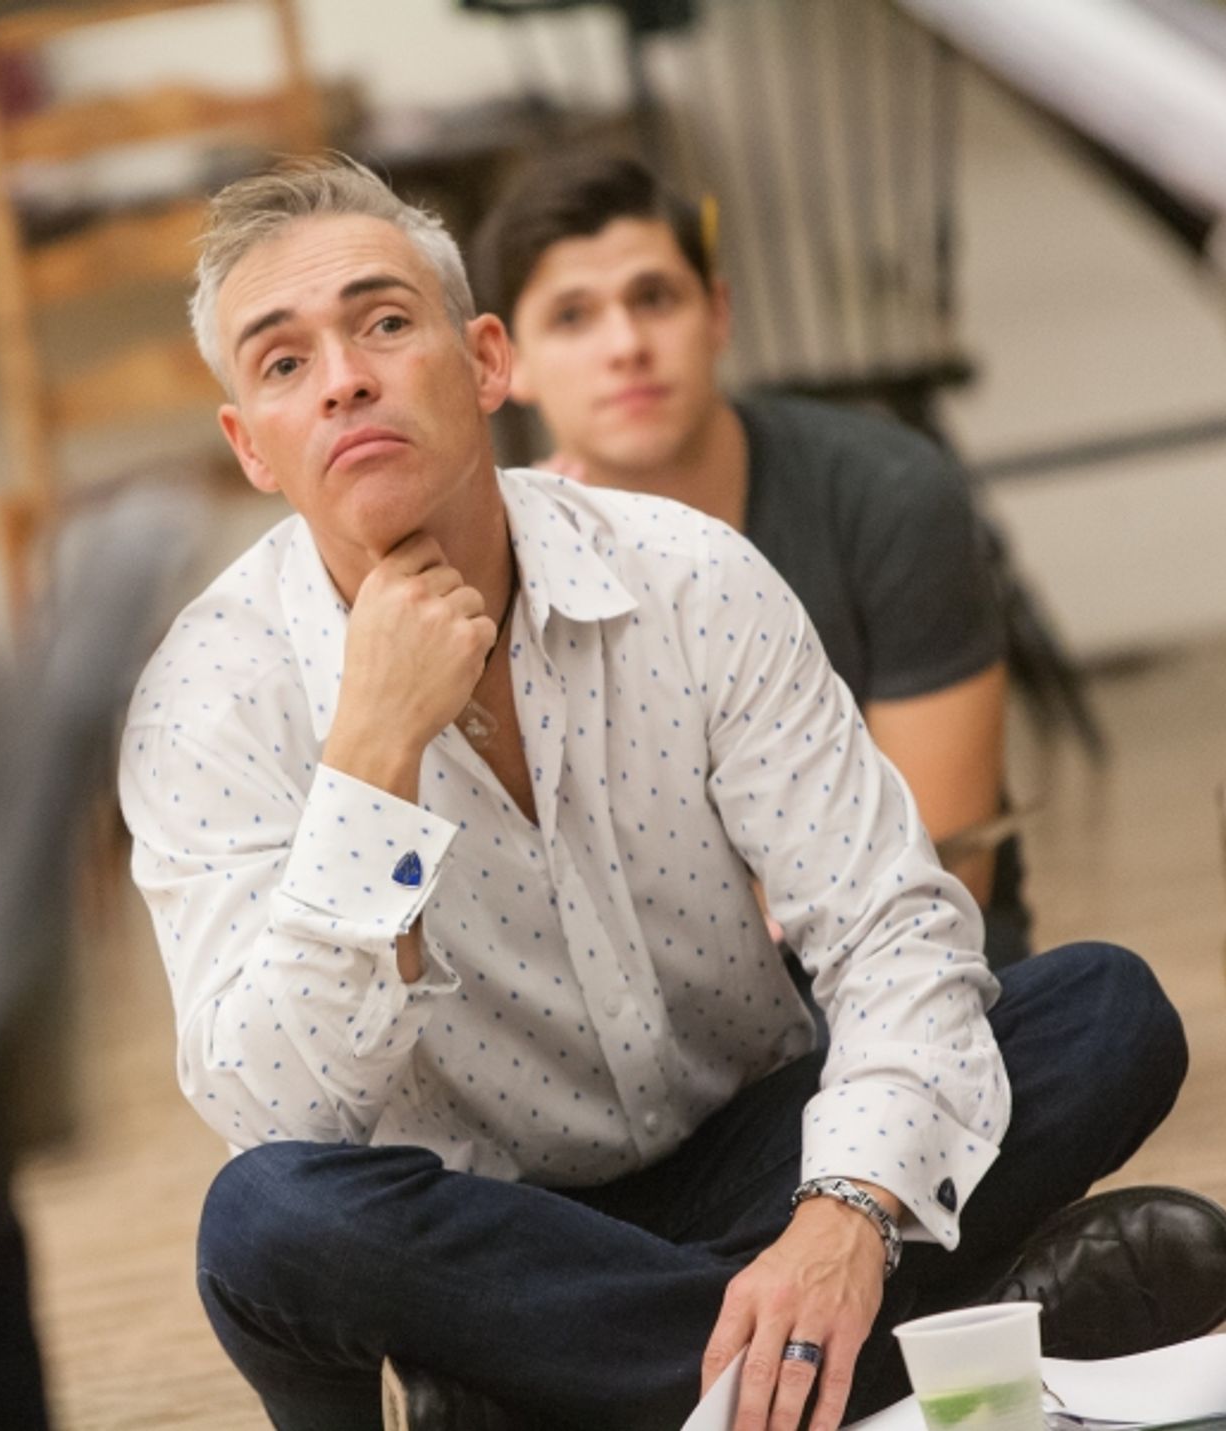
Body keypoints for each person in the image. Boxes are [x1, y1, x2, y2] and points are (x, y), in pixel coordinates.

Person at [118, 157, 1220, 1431]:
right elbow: (278, 1109)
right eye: (282, 362)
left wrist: (841, 1215)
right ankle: (884, 1369)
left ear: (483, 363)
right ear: (249, 446)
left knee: (1103, 1011)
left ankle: (557, 1394)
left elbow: (891, 927)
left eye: (381, 323)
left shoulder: (689, 577)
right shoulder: (206, 698)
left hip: (761, 1143)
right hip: (485, 1231)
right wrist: (372, 754)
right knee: (265, 1223)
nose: (345, 378)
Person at [469, 154, 1029, 969]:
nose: (626, 345)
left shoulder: (891, 492)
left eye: (653, 298)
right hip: (663, 1004)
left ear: (718, 315)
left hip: (900, 947)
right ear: (504, 364)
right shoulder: (502, 564)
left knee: (1107, 1013)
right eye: (573, 317)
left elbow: (949, 857)